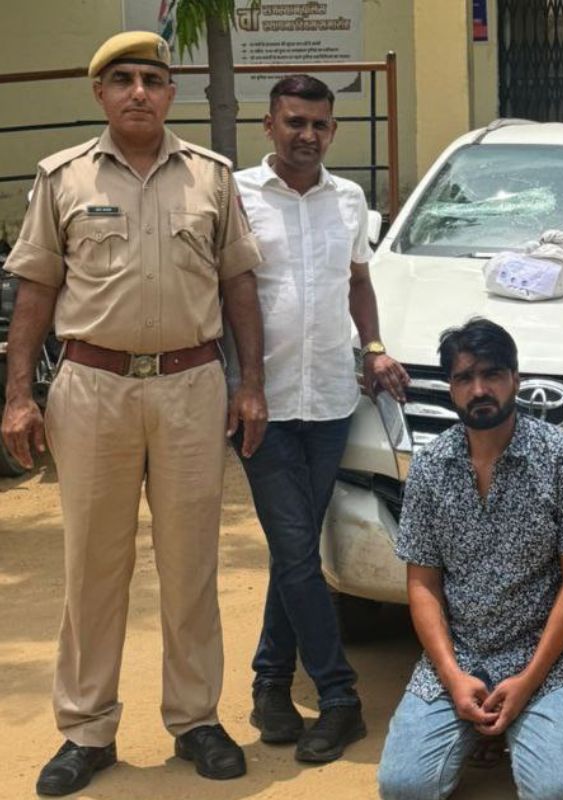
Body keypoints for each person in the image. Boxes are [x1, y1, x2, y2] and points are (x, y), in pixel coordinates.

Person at [0, 31, 266, 796]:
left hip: (190, 386)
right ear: (101, 94)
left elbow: (239, 284)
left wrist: (251, 383)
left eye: (152, 78)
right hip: (93, 388)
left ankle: (195, 718)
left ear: (171, 93)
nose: (139, 92)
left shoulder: (211, 177)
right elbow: (36, 288)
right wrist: (18, 396)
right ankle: (86, 729)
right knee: (93, 564)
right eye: (123, 80)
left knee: (191, 562)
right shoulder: (62, 178)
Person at [228, 74, 410, 763]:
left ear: (332, 130)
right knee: (299, 551)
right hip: (261, 405)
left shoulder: (350, 199)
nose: (307, 135)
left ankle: (271, 684)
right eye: (294, 122)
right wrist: (238, 384)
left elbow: (358, 282)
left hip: (332, 400)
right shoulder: (237, 196)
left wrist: (374, 345)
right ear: (269, 125)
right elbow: (223, 290)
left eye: (319, 125)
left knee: (293, 551)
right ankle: (340, 696)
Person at [376, 318, 563, 800]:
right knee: (403, 788)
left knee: (559, 793)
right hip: (461, 656)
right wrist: (452, 677)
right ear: (451, 388)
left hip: (545, 661)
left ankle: (524, 720)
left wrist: (527, 681)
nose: (479, 389)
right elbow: (422, 584)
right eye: (464, 377)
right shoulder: (430, 467)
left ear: (515, 379)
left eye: (492, 374)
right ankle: (483, 726)